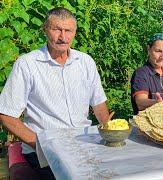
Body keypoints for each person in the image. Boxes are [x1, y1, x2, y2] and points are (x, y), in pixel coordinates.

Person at [0, 7, 110, 179]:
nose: (63, 37)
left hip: (83, 142)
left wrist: (109, 130)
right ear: (45, 29)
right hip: (43, 150)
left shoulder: (85, 62)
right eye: (56, 29)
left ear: (74, 32)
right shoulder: (27, 64)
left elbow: (99, 104)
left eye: (68, 31)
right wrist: (40, 145)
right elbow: (6, 114)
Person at [131, 33, 163, 114]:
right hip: (148, 123)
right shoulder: (141, 73)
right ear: (149, 49)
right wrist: (156, 102)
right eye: (158, 51)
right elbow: (140, 102)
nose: (162, 57)